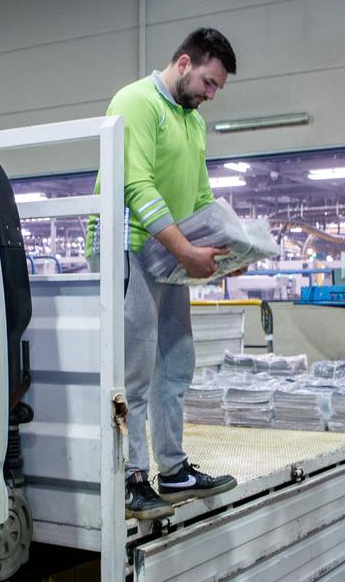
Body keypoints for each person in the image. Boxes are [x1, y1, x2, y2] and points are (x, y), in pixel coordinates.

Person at [85, 28, 241, 520]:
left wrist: (229, 244)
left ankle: (171, 469)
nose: (210, 95)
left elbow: (198, 198)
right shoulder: (136, 102)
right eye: (209, 82)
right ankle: (129, 478)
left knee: (176, 360)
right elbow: (136, 186)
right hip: (127, 249)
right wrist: (186, 251)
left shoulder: (192, 122)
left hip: (166, 254)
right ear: (183, 62)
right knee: (133, 369)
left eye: (217, 88)